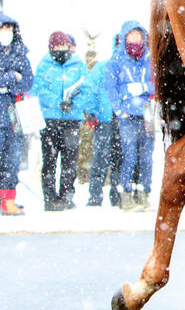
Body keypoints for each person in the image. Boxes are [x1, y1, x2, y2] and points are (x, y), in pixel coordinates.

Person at [34, 31, 88, 211]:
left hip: (72, 119)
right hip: (50, 119)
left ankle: (66, 196)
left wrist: (73, 104)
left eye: (63, 46)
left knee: (70, 160)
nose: (60, 50)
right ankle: (50, 198)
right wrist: (58, 103)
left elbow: (85, 89)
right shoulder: (44, 65)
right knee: (49, 159)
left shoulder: (78, 65)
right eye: (56, 47)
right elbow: (39, 90)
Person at [105, 21, 154, 212]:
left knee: (147, 156)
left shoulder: (150, 58)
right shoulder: (116, 59)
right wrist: (120, 110)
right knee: (129, 155)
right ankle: (126, 194)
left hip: (147, 113)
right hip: (127, 115)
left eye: (138, 36)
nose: (135, 40)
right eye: (131, 36)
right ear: (124, 37)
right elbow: (110, 87)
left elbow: (157, 82)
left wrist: (144, 87)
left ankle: (144, 193)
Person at [0, 13, 34, 216]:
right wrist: (11, 77)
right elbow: (14, 79)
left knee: (12, 160)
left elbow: (27, 80)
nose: (7, 33)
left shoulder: (20, 53)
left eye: (9, 30)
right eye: (3, 29)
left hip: (14, 115)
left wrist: (10, 80)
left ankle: (8, 200)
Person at [84, 35, 122, 206]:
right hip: (105, 118)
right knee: (101, 157)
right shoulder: (102, 67)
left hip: (122, 118)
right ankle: (95, 195)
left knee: (119, 159)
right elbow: (92, 89)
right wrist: (91, 112)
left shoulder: (130, 67)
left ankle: (116, 194)